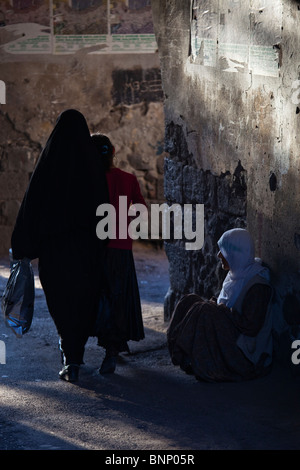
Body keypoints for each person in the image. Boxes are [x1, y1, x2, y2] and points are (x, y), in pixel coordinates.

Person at [11, 109, 110, 382]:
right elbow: (104, 208)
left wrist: (22, 246)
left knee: (62, 302)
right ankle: (74, 354)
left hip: (55, 253)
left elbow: (32, 205)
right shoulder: (91, 166)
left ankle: (70, 357)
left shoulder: (49, 165)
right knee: (82, 301)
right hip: (86, 251)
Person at [167, 228, 274, 382]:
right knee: (189, 300)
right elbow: (225, 307)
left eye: (223, 251)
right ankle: (182, 352)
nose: (218, 255)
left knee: (205, 310)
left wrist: (221, 310)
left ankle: (200, 361)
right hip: (234, 335)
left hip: (248, 353)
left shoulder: (258, 286)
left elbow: (251, 327)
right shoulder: (236, 276)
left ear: (236, 254)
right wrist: (219, 309)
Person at [91, 133, 146, 374]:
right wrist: (126, 222)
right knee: (119, 296)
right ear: (114, 151)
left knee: (99, 297)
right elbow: (141, 209)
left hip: (95, 249)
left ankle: (106, 346)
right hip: (121, 248)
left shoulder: (88, 182)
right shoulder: (128, 179)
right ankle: (113, 349)